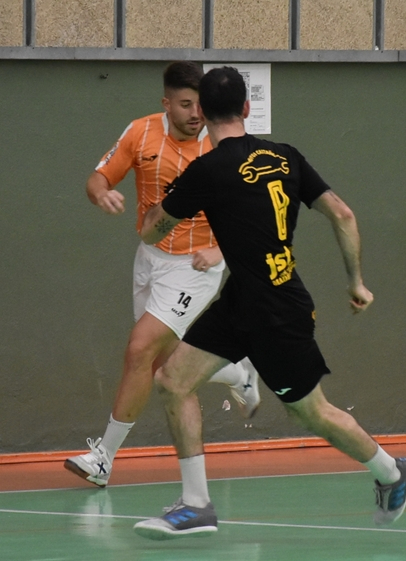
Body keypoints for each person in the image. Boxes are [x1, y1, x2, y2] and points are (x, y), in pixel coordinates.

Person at [131, 66, 406, 539]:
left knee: (311, 412)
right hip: (241, 301)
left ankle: (393, 472)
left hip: (276, 312)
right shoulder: (286, 157)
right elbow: (343, 214)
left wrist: (156, 208)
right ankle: (197, 504)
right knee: (172, 381)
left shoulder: (203, 171)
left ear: (201, 113)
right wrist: (356, 282)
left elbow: (150, 230)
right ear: (246, 108)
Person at [65, 61, 260, 488]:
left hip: (196, 267)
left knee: (138, 351)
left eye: (201, 105)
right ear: (166, 103)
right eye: (186, 104)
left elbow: (255, 219)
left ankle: (104, 458)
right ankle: (236, 372)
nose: (195, 113)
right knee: (159, 365)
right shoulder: (140, 132)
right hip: (150, 258)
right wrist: (102, 194)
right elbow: (98, 179)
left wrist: (219, 250)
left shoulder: (221, 148)